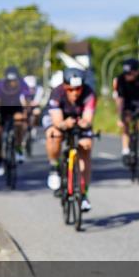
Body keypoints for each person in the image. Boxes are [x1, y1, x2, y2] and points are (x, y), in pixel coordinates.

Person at [45, 68, 97, 212]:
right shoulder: (57, 93)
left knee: (86, 146)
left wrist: (84, 123)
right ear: (65, 87)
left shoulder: (89, 93)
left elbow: (88, 118)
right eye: (71, 89)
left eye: (78, 89)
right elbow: (56, 120)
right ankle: (54, 167)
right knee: (54, 135)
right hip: (60, 120)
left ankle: (84, 194)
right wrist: (63, 124)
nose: (75, 93)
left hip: (78, 121)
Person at [0, 66, 31, 176]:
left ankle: (18, 148)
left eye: (14, 80)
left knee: (19, 123)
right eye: (9, 81)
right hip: (3, 109)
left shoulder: (23, 84)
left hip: (17, 108)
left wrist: (26, 112)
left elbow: (26, 99)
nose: (12, 83)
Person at [112, 58, 139, 162]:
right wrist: (120, 117)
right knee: (125, 122)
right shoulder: (121, 79)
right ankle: (125, 149)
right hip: (127, 102)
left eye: (130, 73)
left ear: (137, 71)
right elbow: (120, 100)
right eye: (126, 73)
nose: (127, 76)